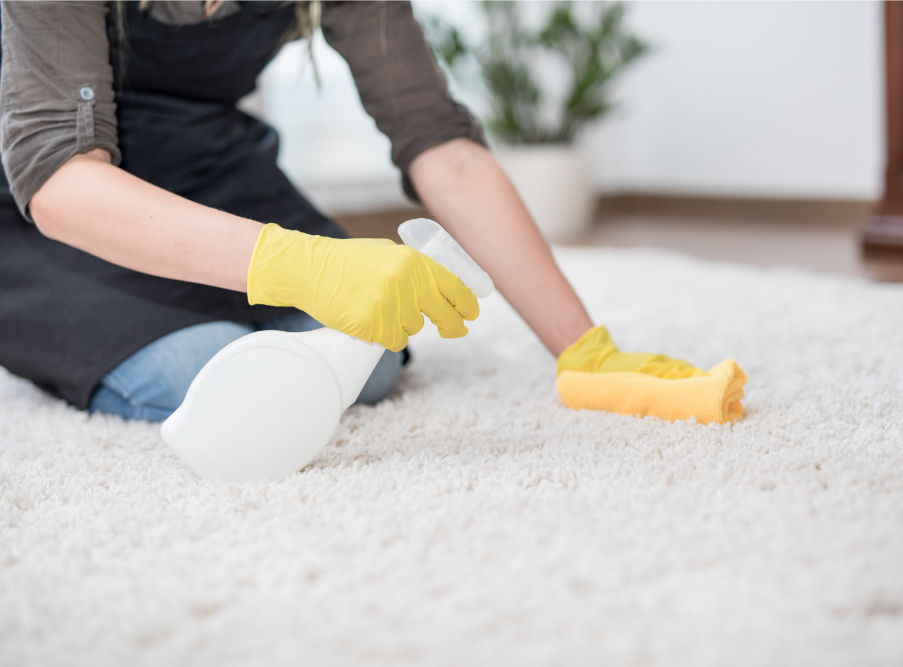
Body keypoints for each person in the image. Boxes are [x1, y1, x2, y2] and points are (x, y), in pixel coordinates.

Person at [0, 1, 744, 425]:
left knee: (370, 360)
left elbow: (439, 144)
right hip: (46, 203)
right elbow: (62, 181)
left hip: (208, 164)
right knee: (215, 377)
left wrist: (585, 349)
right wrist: (300, 263)